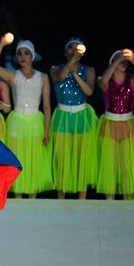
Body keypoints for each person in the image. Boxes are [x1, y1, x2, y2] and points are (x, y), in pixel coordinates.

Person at [0, 35, 54, 198]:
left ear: (32, 56)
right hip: (17, 121)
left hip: (35, 121)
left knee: (34, 160)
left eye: (26, 53)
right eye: (20, 53)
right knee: (18, 159)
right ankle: (18, 196)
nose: (23, 56)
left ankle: (32, 196)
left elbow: (47, 106)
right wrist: (1, 44)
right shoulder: (14, 76)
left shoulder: (43, 77)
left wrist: (47, 130)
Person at [50, 37, 98, 199]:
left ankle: (82, 199)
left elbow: (89, 92)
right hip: (62, 116)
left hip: (82, 116)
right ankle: (61, 198)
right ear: (65, 52)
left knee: (80, 158)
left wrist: (76, 75)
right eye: (70, 48)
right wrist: (71, 64)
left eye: (76, 48)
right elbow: (60, 77)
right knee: (62, 159)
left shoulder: (89, 70)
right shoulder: (55, 69)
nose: (73, 50)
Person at [96, 49, 134, 200]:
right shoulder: (103, 79)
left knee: (126, 165)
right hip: (110, 124)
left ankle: (127, 199)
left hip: (128, 124)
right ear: (112, 62)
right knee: (110, 165)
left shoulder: (132, 79)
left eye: (124, 60)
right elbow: (103, 82)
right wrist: (117, 59)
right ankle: (109, 199)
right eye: (118, 59)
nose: (122, 61)